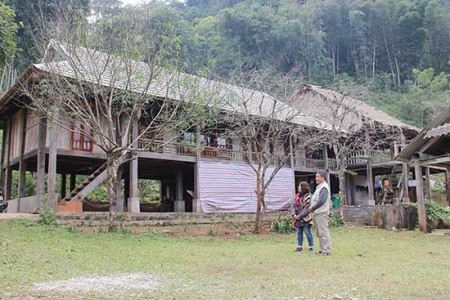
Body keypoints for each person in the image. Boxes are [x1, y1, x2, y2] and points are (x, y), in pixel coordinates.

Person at [298, 171, 332, 256]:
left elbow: (322, 200)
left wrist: (313, 208)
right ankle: (321, 249)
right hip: (317, 213)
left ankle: (326, 250)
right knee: (319, 232)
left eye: (318, 177)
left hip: (322, 213)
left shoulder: (324, 187)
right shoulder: (319, 187)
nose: (316, 178)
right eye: (316, 177)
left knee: (323, 232)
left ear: (323, 178)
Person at [292, 182, 314, 252]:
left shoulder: (309, 196)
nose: (298, 188)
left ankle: (311, 247)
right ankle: (299, 247)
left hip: (306, 218)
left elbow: (307, 208)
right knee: (299, 233)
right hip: (297, 218)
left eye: (299, 186)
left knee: (307, 232)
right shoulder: (297, 196)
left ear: (303, 187)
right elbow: (293, 206)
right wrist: (294, 215)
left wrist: (300, 215)